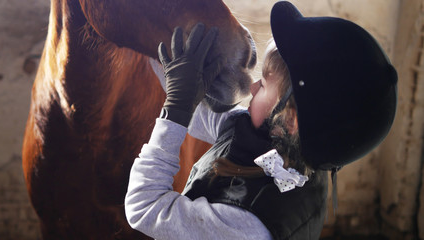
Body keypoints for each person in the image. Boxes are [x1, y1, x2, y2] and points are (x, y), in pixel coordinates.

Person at [125, 1, 397, 240]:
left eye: (265, 84)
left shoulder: (247, 226)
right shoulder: (292, 151)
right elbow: (203, 119)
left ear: (290, 121)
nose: (253, 87)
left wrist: (175, 108)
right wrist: (162, 61)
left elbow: (144, 205)